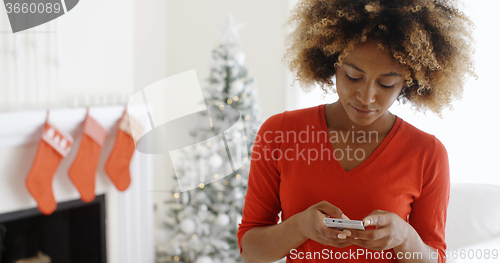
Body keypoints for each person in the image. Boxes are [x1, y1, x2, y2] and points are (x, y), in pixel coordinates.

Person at [237, 0, 475, 262]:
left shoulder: (428, 153)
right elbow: (251, 251)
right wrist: (300, 226)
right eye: (353, 76)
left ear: (408, 82)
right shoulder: (280, 132)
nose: (366, 97)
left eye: (386, 84)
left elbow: (435, 257)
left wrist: (405, 237)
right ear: (332, 64)